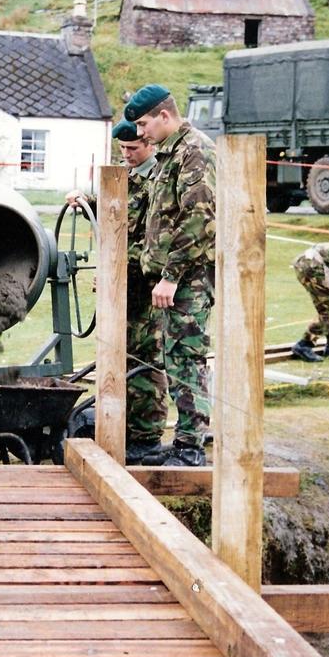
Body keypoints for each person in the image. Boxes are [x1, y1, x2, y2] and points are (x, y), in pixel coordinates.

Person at [124, 84, 216, 468]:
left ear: (165, 115)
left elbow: (199, 219)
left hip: (189, 278)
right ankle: (182, 442)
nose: (142, 133)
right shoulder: (171, 152)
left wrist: (172, 276)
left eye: (145, 124)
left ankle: (191, 449)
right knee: (175, 358)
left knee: (186, 358)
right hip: (172, 276)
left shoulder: (193, 150)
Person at [66, 120, 165, 465]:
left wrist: (115, 267)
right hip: (119, 288)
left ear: (149, 144)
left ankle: (148, 438)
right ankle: (123, 431)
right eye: (122, 150)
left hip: (145, 287)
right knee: (119, 358)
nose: (127, 156)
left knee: (146, 361)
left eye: (133, 149)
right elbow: (111, 205)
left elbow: (156, 241)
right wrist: (84, 200)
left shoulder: (160, 182)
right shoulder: (127, 176)